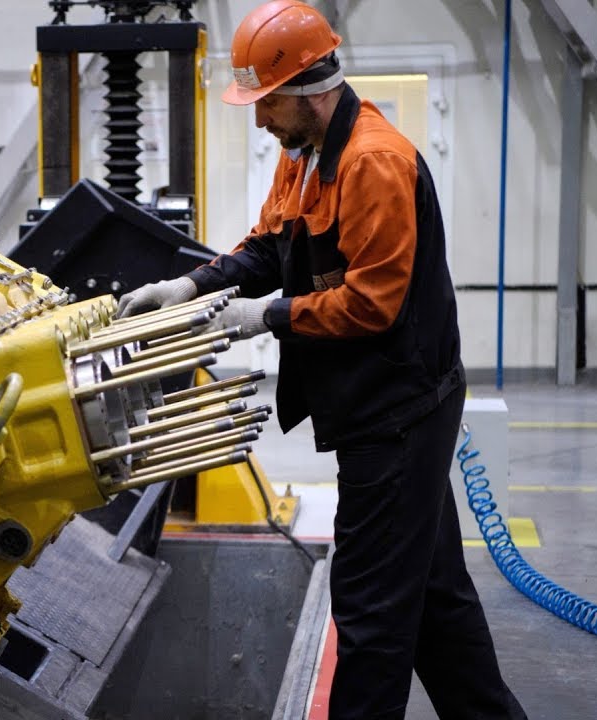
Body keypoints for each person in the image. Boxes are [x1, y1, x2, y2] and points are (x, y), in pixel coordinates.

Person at [117, 2, 528, 718]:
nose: (258, 120)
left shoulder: (373, 163)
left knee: (370, 611)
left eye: (265, 101)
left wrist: (265, 316)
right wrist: (189, 287)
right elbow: (270, 248)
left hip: (397, 412)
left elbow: (374, 305)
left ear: (309, 86)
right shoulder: (303, 155)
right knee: (433, 598)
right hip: (378, 405)